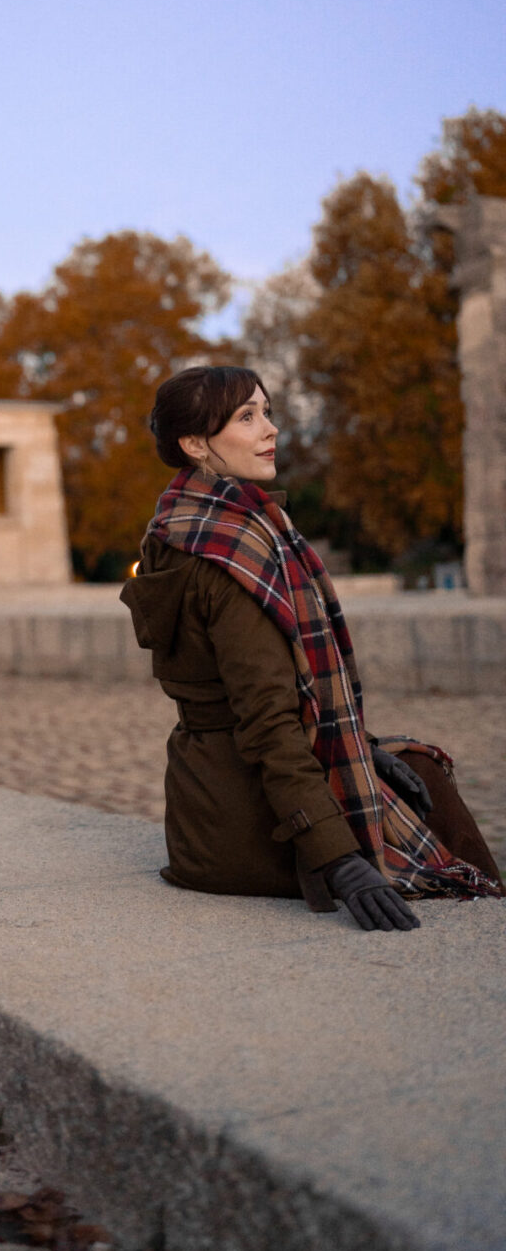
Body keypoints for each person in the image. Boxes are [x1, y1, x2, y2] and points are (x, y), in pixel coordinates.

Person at [120, 364, 503, 932]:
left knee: (411, 763)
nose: (270, 429)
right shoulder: (230, 554)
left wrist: (363, 750)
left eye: (267, 412)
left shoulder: (179, 524)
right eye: (246, 417)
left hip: (201, 807)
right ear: (195, 443)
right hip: (244, 826)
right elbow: (268, 721)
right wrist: (341, 861)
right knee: (433, 808)